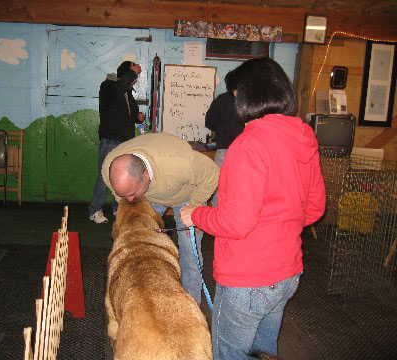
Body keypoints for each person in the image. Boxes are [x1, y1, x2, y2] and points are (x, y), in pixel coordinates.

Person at [180, 57, 326, 359]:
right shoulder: (304, 137)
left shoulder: (248, 145)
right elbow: (313, 210)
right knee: (262, 351)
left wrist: (195, 214)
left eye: (236, 95)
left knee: (229, 353)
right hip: (287, 274)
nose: (235, 103)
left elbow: (235, 223)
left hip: (247, 278)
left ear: (248, 95)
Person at [101, 132, 220, 305]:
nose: (129, 200)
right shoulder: (109, 169)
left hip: (187, 195)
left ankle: (191, 305)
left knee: (189, 254)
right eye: (124, 195)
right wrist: (130, 199)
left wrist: (193, 207)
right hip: (149, 196)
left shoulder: (179, 163)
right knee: (139, 242)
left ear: (145, 175)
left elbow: (212, 174)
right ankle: (147, 296)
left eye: (131, 194)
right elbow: (127, 197)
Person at [88, 61, 145, 224]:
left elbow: (131, 114)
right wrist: (132, 72)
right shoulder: (108, 86)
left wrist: (137, 117)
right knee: (104, 176)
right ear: (126, 73)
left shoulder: (127, 91)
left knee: (123, 176)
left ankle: (118, 208)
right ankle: (95, 210)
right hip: (110, 139)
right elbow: (119, 88)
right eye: (133, 73)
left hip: (125, 141)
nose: (135, 78)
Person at [205, 69, 245, 206]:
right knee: (242, 189)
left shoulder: (222, 100)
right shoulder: (252, 102)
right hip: (247, 151)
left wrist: (222, 129)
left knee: (219, 187)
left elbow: (209, 122)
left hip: (225, 149)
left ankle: (216, 221)